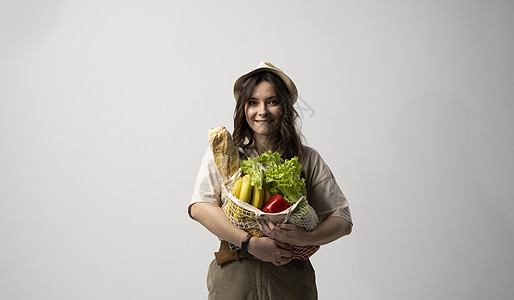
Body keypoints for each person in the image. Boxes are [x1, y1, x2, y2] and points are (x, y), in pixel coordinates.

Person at [188, 62, 353, 299]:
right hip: (235, 279)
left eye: (272, 102)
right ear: (243, 108)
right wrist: (249, 243)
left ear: (285, 108)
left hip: (291, 282)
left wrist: (306, 238)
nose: (262, 111)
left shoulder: (307, 158)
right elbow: (200, 207)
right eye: (253, 102)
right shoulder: (224, 154)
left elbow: (342, 220)